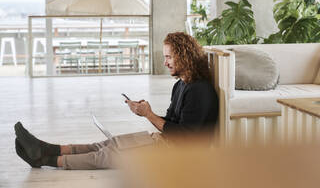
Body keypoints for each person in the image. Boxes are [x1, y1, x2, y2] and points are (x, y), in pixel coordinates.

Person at [14, 32, 218, 170]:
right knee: (107, 143)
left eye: (169, 58)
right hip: (163, 141)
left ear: (185, 56)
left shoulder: (200, 90)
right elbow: (172, 123)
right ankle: (45, 147)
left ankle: (44, 159)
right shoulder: (180, 85)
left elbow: (186, 138)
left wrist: (149, 114)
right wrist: (145, 112)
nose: (165, 63)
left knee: (105, 156)